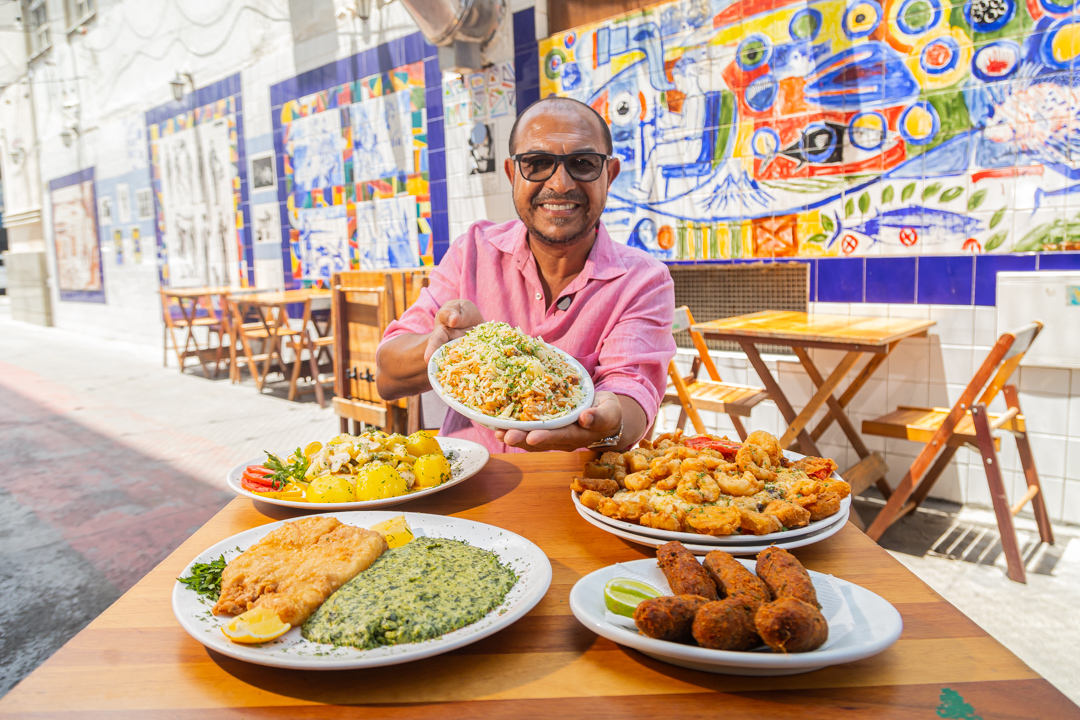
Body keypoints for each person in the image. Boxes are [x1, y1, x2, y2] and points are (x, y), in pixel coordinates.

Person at [375, 96, 676, 453]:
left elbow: (632, 395)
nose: (561, 183)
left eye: (582, 163)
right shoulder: (472, 250)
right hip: (466, 479)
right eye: (537, 163)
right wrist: (448, 345)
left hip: (574, 489)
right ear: (511, 173)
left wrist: (609, 423)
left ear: (609, 175)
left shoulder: (643, 281)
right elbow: (387, 376)